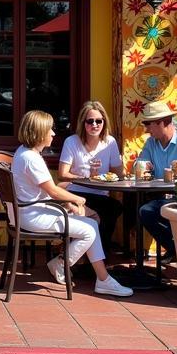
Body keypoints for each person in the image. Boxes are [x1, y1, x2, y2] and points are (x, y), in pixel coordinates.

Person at [13, 110, 132, 298]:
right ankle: (66, 265)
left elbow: (46, 190)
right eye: (49, 129)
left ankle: (102, 278)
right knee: (91, 229)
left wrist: (68, 204)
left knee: (92, 224)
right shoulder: (31, 158)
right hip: (34, 216)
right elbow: (52, 190)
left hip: (29, 211)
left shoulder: (23, 153)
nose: (53, 133)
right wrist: (76, 199)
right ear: (38, 132)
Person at [57, 100, 123, 250]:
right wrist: (86, 178)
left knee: (115, 208)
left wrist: (120, 163)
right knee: (107, 211)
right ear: (83, 122)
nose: (94, 125)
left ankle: (97, 257)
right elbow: (62, 174)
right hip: (77, 192)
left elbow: (119, 174)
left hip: (100, 194)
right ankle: (93, 258)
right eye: (90, 121)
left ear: (104, 122)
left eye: (98, 121)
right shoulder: (72, 142)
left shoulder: (110, 142)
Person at [136, 100, 177, 262]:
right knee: (134, 207)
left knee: (147, 211)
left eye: (148, 124)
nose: (146, 129)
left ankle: (176, 249)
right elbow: (139, 164)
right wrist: (142, 166)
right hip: (158, 195)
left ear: (162, 123)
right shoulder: (151, 143)